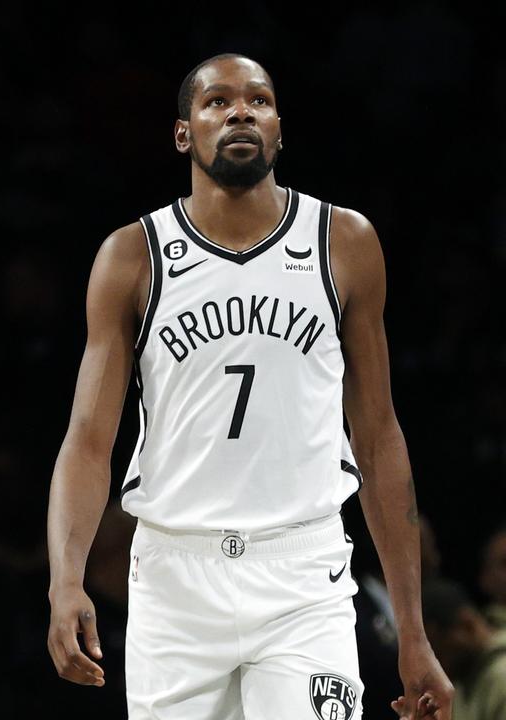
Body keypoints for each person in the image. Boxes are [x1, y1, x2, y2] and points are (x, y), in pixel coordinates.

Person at [45, 53, 453, 719]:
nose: (239, 111)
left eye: (258, 101)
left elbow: (378, 438)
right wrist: (66, 578)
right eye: (216, 102)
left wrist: (413, 629)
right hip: (174, 577)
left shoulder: (343, 241)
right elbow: (88, 442)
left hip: (303, 572)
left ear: (279, 129)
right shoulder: (133, 255)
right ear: (184, 133)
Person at [422, 578, 506, 720]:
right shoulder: (463, 679)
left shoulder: (501, 676)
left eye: (438, 653)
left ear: (467, 625)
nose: (437, 667)